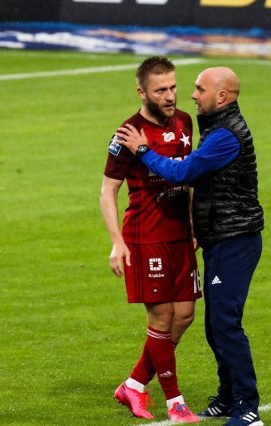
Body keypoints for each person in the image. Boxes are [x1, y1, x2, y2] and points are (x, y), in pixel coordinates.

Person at [115, 66, 265, 426]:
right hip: (218, 237)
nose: (191, 95)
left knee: (225, 324)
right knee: (216, 326)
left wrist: (143, 150)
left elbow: (183, 173)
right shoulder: (214, 125)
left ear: (222, 97)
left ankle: (248, 408)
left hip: (235, 240)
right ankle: (229, 397)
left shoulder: (225, 135)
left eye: (199, 89)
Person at [99, 56, 201, 423]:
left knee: (185, 315)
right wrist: (117, 242)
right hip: (145, 238)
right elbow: (107, 191)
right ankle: (176, 404)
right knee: (162, 319)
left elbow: (188, 177)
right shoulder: (126, 134)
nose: (171, 96)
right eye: (161, 90)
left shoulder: (186, 122)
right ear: (142, 92)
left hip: (179, 235)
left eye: (173, 87)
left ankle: (134, 384)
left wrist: (192, 224)